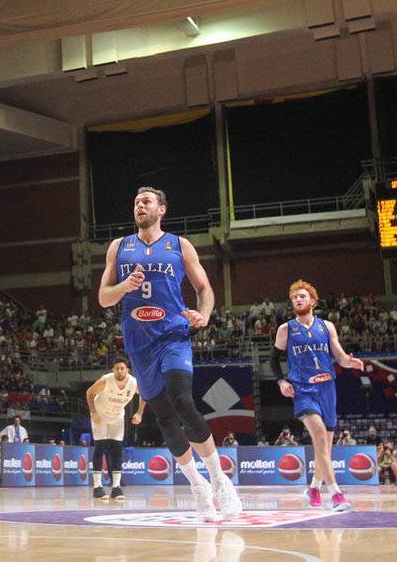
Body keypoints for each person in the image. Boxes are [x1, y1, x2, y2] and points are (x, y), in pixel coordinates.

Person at [98, 187, 241, 521]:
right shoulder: (119, 247)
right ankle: (197, 486)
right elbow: (104, 297)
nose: (139, 206)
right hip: (138, 343)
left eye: (146, 202)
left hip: (173, 335)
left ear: (161, 209)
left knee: (183, 402)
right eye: (136, 202)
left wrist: (204, 315)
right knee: (163, 417)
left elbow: (204, 289)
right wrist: (124, 287)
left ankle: (220, 482)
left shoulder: (179, 245)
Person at [271, 279, 363, 511]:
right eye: (294, 297)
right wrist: (282, 381)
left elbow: (340, 357)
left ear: (312, 301)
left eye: (302, 296)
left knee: (326, 448)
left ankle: (314, 487)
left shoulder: (327, 326)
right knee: (320, 437)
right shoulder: (286, 329)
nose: (298, 300)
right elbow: (273, 360)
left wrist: (349, 362)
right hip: (303, 390)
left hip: (327, 389)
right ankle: (336, 494)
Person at [85, 356, 145, 500]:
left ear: (127, 370)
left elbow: (145, 394)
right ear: (113, 370)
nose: (119, 371)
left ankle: (116, 488)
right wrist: (93, 412)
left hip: (117, 416)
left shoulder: (133, 382)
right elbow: (89, 392)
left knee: (117, 449)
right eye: (117, 368)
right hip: (100, 414)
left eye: (122, 368)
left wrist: (139, 413)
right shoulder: (106, 380)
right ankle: (97, 487)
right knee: (100, 447)